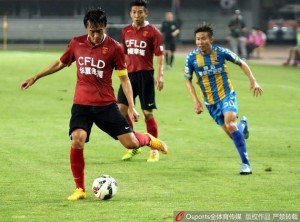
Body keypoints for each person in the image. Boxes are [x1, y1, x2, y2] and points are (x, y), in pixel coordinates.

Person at [20, 8, 168, 201]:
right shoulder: (77, 43)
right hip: (81, 104)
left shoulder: (115, 48)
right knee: (77, 139)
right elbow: (60, 62)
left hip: (106, 105)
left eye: (99, 30)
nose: (96, 35)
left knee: (130, 143)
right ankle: (79, 188)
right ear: (86, 28)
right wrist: (36, 76)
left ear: (105, 27)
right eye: (92, 31)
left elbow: (124, 80)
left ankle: (148, 139)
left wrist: (131, 106)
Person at [184, 24, 263, 175]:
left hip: (227, 95)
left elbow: (241, 62)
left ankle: (246, 165)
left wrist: (253, 81)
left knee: (230, 123)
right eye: (198, 39)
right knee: (232, 134)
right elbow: (188, 80)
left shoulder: (221, 52)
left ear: (211, 39)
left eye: (203, 39)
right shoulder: (192, 58)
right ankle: (243, 125)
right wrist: (196, 101)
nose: (200, 42)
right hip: (210, 102)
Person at [118, 0, 165, 162]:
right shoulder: (125, 31)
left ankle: (154, 149)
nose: (137, 15)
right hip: (128, 76)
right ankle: (133, 146)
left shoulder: (154, 32)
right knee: (121, 111)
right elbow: (123, 54)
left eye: (140, 12)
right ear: (130, 14)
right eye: (134, 12)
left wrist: (160, 76)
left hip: (145, 75)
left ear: (146, 13)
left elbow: (160, 56)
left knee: (147, 113)